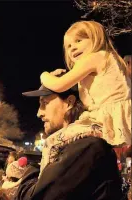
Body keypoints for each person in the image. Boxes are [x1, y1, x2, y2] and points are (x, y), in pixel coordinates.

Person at [16, 84, 127, 200]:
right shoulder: (75, 146)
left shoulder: (86, 147)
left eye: (44, 103)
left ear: (69, 102)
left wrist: (29, 172)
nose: (39, 113)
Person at [40, 20, 131, 148]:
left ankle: (47, 167)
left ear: (96, 38)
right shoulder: (106, 60)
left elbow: (60, 85)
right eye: (69, 46)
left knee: (53, 141)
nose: (73, 47)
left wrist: (44, 75)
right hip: (111, 119)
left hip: (106, 118)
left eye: (79, 40)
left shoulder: (95, 57)